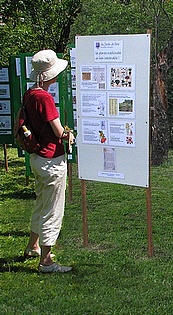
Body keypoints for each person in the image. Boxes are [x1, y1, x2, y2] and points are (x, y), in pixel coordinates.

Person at [23, 49, 74, 273]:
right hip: (51, 159)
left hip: (36, 157)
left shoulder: (30, 93)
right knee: (53, 209)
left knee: (41, 204)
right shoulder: (45, 98)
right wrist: (68, 134)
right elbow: (58, 130)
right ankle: (46, 261)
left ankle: (32, 245)